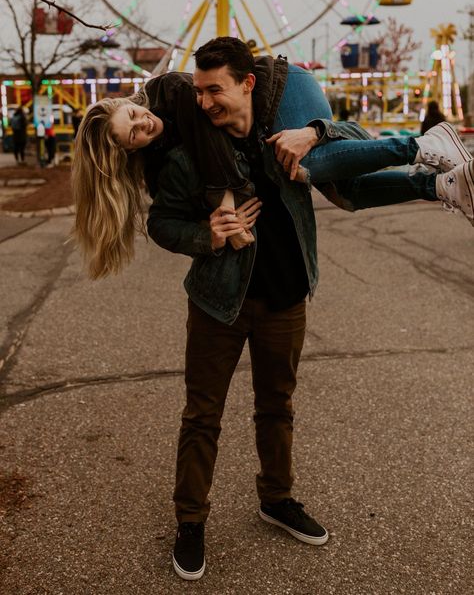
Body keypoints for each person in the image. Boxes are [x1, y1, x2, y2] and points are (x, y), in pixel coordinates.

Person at [145, 38, 472, 580]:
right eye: (198, 92)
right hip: (218, 303)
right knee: (202, 416)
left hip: (287, 297)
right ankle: (191, 523)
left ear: (246, 84)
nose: (204, 103)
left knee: (278, 406)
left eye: (214, 90)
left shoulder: (290, 128)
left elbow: (350, 141)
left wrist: (314, 131)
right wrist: (206, 234)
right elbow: (161, 223)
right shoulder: (193, 154)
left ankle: (277, 498)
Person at [72, 47, 473, 280]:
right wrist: (208, 231)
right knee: (346, 194)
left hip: (281, 86)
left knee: (300, 156)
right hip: (266, 105)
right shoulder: (157, 157)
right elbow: (168, 211)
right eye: (134, 135)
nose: (143, 124)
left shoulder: (171, 91)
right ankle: (439, 185)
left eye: (133, 115)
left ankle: (422, 144)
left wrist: (228, 204)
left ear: (126, 102)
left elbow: (215, 154)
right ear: (128, 151)